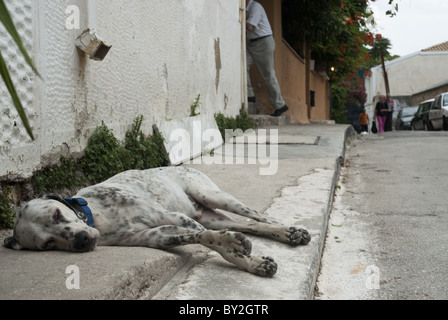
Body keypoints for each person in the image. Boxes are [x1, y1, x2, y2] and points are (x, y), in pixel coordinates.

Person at [246, 0, 288, 117]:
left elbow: (250, 26)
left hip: (264, 42)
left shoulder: (255, 7)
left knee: (268, 75)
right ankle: (250, 95)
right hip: (253, 43)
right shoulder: (245, 10)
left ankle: (280, 105)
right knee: (242, 65)